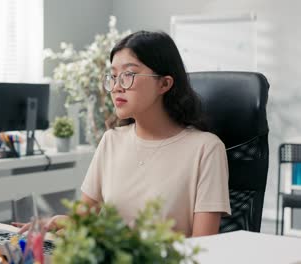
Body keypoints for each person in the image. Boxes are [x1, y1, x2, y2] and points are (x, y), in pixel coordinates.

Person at [15, 31, 230, 237]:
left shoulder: (206, 149)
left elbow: (205, 247)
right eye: (114, 76)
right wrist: (59, 222)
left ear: (164, 83)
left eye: (129, 75)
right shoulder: (111, 140)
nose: (117, 86)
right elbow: (83, 222)